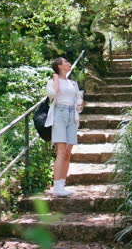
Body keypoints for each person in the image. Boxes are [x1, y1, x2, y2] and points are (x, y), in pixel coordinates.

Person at [44, 57, 84, 197]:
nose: (69, 63)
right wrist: (55, 78)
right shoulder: (53, 82)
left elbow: (77, 100)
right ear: (60, 66)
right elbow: (53, 94)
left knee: (68, 151)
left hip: (72, 115)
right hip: (59, 114)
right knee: (61, 151)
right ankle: (56, 187)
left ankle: (62, 184)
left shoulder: (73, 83)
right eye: (66, 62)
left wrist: (80, 104)